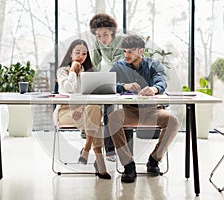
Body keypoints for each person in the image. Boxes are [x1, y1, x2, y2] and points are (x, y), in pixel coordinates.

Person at [107, 35, 179, 183]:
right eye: (125, 51)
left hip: (153, 110)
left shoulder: (155, 65)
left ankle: (154, 160)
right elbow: (107, 85)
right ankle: (128, 165)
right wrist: (123, 86)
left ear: (141, 51)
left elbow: (161, 81)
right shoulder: (118, 66)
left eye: (131, 52)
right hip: (130, 111)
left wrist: (154, 89)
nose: (127, 55)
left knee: (173, 121)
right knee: (113, 118)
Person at [53, 39, 111, 179]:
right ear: (71, 54)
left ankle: (86, 149)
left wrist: (81, 106)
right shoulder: (63, 71)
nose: (81, 56)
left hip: (86, 108)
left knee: (94, 109)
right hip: (65, 110)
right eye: (77, 52)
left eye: (84, 53)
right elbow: (68, 89)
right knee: (95, 119)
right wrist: (73, 71)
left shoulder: (90, 71)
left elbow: (95, 94)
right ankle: (99, 160)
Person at [89, 13, 133, 162]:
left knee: (126, 113)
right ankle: (109, 150)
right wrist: (91, 80)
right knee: (108, 112)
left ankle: (127, 151)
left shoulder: (123, 41)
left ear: (112, 32)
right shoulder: (98, 42)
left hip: (127, 77)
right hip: (111, 78)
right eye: (98, 36)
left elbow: (119, 65)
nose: (102, 39)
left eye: (105, 34)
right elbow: (94, 64)